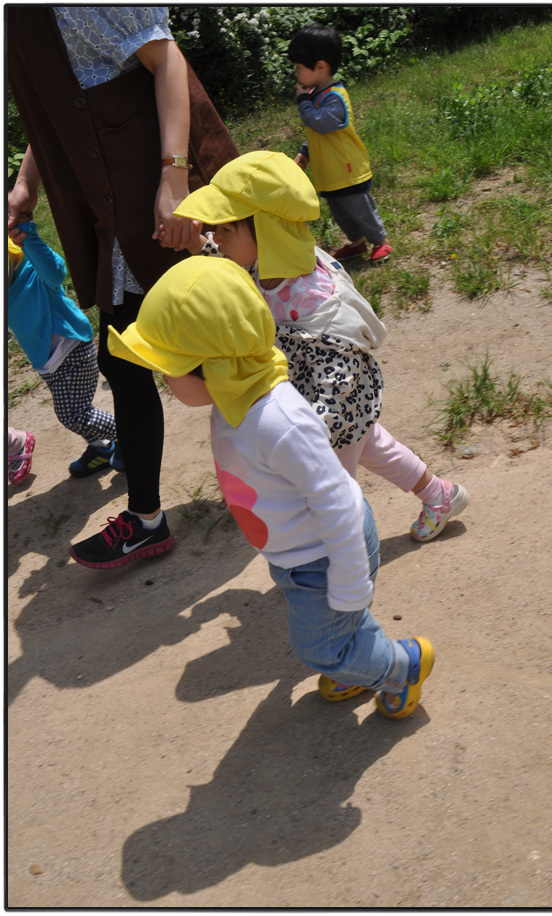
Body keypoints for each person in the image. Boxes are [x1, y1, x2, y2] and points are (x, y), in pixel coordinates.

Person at [108, 255, 435, 718]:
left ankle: (401, 665)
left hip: (325, 553)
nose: (164, 379)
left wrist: (349, 581)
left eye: (170, 369)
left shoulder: (278, 421)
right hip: (299, 554)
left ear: (214, 365)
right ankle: (358, 656)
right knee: (338, 626)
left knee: (319, 648)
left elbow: (338, 499)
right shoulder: (236, 398)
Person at [7, 6, 238, 569]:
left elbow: (167, 58)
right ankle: (148, 518)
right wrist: (26, 182)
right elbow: (62, 98)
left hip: (151, 190)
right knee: (126, 358)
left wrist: (174, 177)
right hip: (106, 198)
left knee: (224, 343)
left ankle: (312, 454)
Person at [176, 151, 469, 542]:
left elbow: (338, 370)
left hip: (332, 406)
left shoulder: (311, 299)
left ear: (265, 231)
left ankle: (347, 564)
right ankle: (439, 494)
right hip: (317, 397)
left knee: (330, 494)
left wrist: (310, 432)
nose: (218, 238)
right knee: (373, 445)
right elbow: (229, 263)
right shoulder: (266, 262)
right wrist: (197, 244)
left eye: (225, 230)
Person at [8, 227, 122, 478]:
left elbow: (57, 271)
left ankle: (131, 436)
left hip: (71, 350)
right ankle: (102, 447)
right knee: (76, 409)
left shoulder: (32, 270)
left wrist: (27, 234)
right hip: (49, 362)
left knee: (73, 414)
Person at [287, 24, 392, 264]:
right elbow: (319, 135)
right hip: (330, 173)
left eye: (299, 68)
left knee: (360, 208)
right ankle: (357, 242)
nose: (296, 74)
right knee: (340, 211)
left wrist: (302, 101)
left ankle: (380, 241)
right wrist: (305, 151)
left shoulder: (334, 97)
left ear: (320, 67)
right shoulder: (317, 96)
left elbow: (320, 123)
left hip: (348, 171)